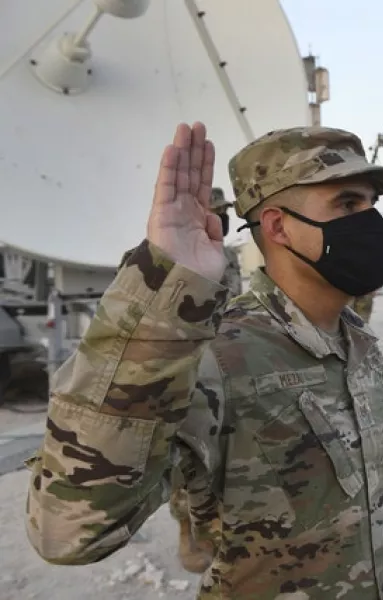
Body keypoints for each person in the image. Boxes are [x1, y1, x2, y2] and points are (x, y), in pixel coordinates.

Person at [25, 123, 383, 599]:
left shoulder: (357, 339)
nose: (371, 224)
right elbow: (65, 532)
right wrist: (161, 305)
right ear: (278, 226)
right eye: (348, 204)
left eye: (372, 204)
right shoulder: (214, 353)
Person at [113, 187, 242, 574]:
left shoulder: (229, 257)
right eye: (216, 213)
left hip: (222, 368)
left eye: (223, 214)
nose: (222, 221)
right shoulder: (153, 255)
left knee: (223, 459)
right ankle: (189, 529)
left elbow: (234, 306)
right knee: (185, 462)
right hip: (177, 372)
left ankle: (220, 531)